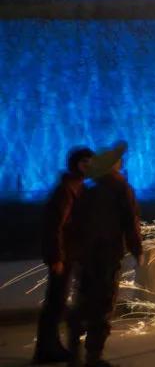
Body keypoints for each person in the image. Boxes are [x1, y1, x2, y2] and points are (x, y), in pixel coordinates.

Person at [67, 142, 141, 367]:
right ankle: (93, 357)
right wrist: (137, 250)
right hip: (107, 255)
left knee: (83, 301)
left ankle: (74, 352)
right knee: (103, 304)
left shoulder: (88, 189)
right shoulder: (121, 188)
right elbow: (130, 222)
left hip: (86, 256)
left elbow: (76, 223)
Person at [33, 147, 93, 364]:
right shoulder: (67, 189)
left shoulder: (77, 186)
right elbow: (54, 226)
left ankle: (51, 346)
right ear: (76, 164)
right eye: (85, 162)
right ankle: (44, 350)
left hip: (69, 253)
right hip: (63, 256)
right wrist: (56, 257)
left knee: (57, 302)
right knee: (55, 302)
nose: (89, 166)